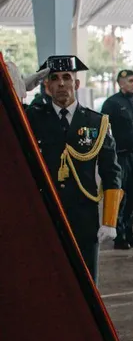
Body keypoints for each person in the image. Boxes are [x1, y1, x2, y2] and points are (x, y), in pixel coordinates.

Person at [23, 56, 123, 281]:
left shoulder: (97, 122)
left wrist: (109, 220)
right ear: (46, 86)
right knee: (47, 279)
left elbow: (112, 172)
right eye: (54, 78)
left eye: (66, 77)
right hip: (47, 211)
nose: (60, 83)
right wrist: (20, 87)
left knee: (86, 280)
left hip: (83, 214)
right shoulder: (32, 118)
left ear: (76, 84)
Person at [102, 69, 133, 249]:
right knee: (120, 196)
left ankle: (130, 232)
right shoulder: (112, 103)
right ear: (120, 83)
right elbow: (104, 130)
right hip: (120, 156)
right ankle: (119, 235)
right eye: (130, 81)